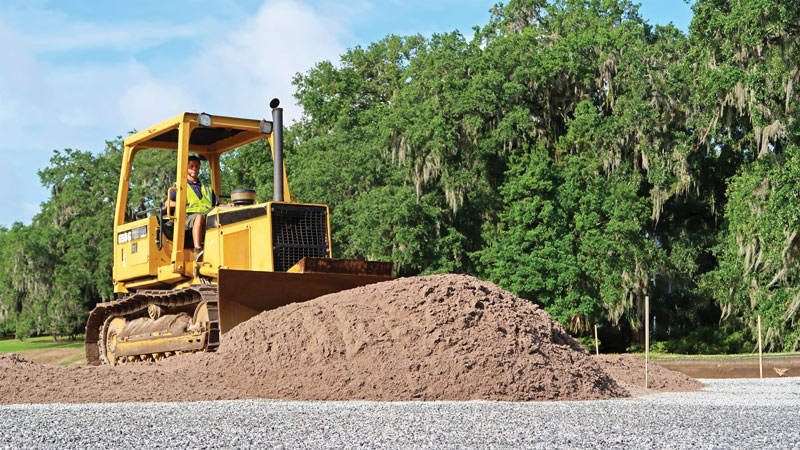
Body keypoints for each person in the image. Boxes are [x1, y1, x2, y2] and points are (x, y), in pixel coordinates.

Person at [168, 155, 218, 260]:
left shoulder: (207, 187)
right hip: (186, 217)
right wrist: (179, 204)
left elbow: (215, 205)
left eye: (197, 166)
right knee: (198, 217)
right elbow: (168, 203)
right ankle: (197, 249)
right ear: (186, 168)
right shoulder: (179, 186)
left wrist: (228, 206)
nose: (194, 169)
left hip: (207, 216)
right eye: (192, 166)